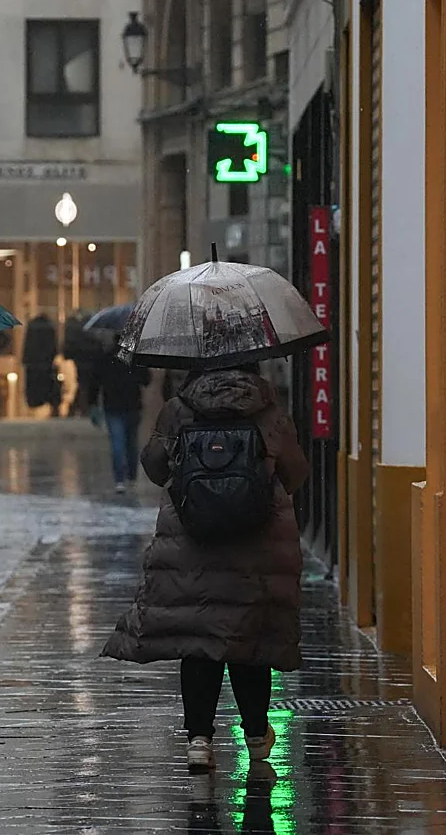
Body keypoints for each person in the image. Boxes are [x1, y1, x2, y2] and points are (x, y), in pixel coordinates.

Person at [102, 363, 309, 772]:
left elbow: (155, 466)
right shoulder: (268, 410)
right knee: (250, 637)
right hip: (256, 543)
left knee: (198, 639)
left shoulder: (180, 409)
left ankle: (199, 740)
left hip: (191, 542)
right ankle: (254, 735)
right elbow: (296, 472)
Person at [91, 331, 151, 493]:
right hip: (133, 405)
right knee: (132, 442)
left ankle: (119, 480)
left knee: (117, 443)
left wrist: (93, 404)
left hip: (112, 406)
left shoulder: (106, 358)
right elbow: (146, 380)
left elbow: (95, 383)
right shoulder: (135, 359)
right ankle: (131, 476)